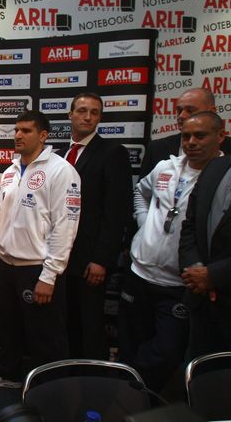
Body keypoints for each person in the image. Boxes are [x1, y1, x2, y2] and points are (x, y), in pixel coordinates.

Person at [0, 110, 80, 388]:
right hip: (8, 266)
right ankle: (7, 374)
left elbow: (65, 226)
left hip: (38, 268)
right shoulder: (10, 171)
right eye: (16, 130)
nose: (18, 135)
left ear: (43, 136)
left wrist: (49, 275)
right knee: (9, 328)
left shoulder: (61, 170)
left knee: (46, 336)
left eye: (26, 131)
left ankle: (53, 388)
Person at [120, 112, 224, 390]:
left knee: (166, 352)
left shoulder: (225, 176)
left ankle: (141, 396)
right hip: (139, 273)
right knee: (129, 344)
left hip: (178, 283)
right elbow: (140, 193)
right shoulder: (166, 167)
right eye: (186, 136)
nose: (191, 142)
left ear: (220, 137)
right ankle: (130, 403)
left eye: (200, 136)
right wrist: (144, 225)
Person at [179, 86, 231, 361]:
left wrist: (214, 275)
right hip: (203, 304)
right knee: (201, 388)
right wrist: (197, 270)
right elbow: (190, 225)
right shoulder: (217, 167)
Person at [57, 92, 132, 360]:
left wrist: (101, 259)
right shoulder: (59, 155)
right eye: (82, 111)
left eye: (95, 112)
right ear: (70, 115)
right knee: (64, 323)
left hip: (89, 260)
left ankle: (93, 381)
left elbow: (116, 212)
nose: (88, 117)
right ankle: (66, 377)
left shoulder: (113, 153)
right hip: (59, 259)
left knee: (89, 324)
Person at [140, 88, 231, 177]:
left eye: (190, 110)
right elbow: (141, 191)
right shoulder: (157, 148)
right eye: (179, 111)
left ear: (211, 111)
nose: (181, 116)